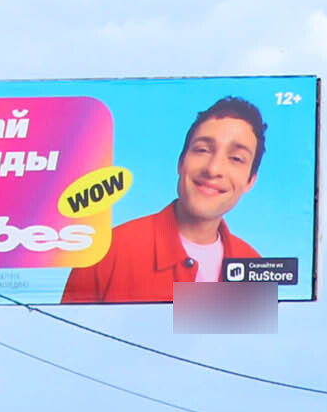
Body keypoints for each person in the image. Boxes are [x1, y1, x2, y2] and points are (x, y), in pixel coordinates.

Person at [61, 97, 266, 303]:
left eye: (236, 159)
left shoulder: (252, 264)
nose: (213, 169)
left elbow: (251, 336)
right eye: (202, 150)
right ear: (181, 163)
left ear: (250, 181)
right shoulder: (107, 253)